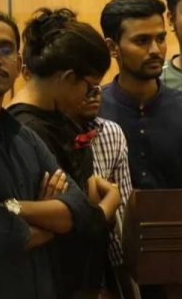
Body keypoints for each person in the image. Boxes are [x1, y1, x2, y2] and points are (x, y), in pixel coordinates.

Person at [0, 10, 101, 299]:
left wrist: (9, 207)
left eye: (5, 49)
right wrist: (47, 219)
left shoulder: (26, 138)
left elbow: (79, 209)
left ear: (18, 64)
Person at [7, 8, 121, 298]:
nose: (91, 96)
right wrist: (110, 202)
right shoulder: (25, 128)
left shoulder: (57, 118)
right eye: (90, 87)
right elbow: (74, 218)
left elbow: (76, 200)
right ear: (69, 77)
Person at [99, 0, 182, 192]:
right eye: (142, 41)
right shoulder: (93, 110)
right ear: (112, 47)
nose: (156, 50)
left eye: (160, 38)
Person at [67, 89, 134, 297]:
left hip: (105, 254)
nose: (93, 95)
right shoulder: (43, 133)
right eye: (84, 88)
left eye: (96, 89)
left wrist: (123, 273)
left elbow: (123, 209)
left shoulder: (111, 132)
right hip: (62, 258)